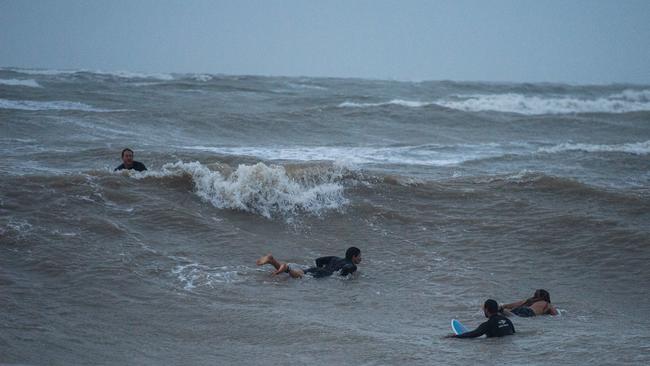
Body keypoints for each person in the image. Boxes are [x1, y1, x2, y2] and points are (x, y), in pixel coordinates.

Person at [256, 247, 361, 278]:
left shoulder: (335, 258)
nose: (361, 259)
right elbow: (347, 268)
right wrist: (341, 276)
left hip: (318, 270)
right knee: (298, 277)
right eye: (359, 256)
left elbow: (318, 260)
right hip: (322, 274)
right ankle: (286, 268)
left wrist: (320, 269)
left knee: (298, 273)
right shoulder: (352, 265)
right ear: (354, 257)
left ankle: (272, 260)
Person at [447, 299, 515, 339]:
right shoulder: (507, 320)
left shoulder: (488, 324)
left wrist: (454, 337)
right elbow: (513, 333)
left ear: (486, 310)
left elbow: (473, 334)